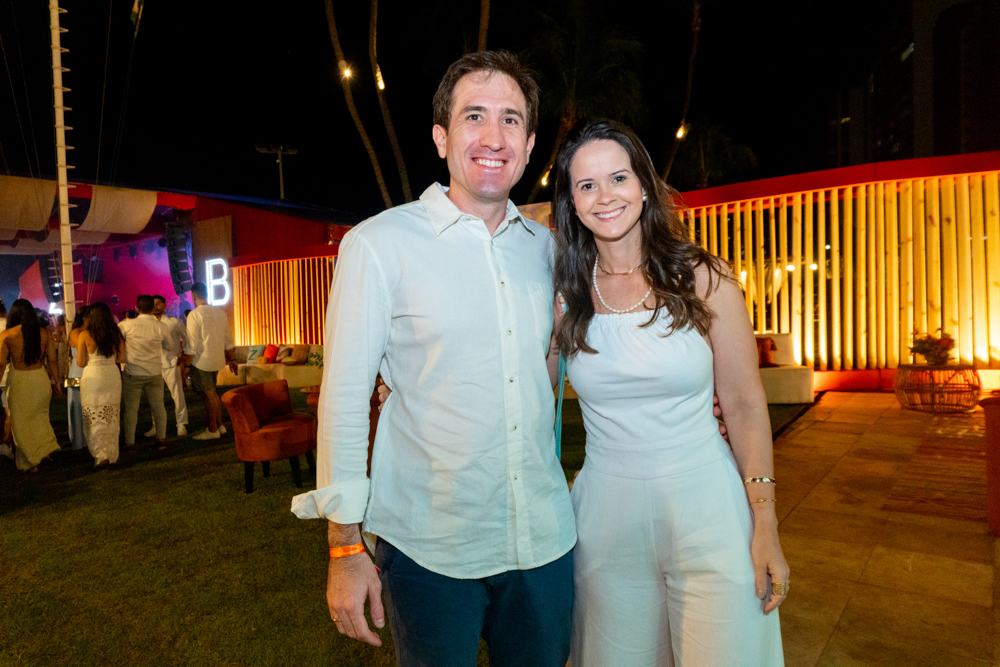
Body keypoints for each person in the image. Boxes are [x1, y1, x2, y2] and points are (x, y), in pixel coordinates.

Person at [291, 51, 576, 667]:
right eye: (475, 116)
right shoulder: (379, 244)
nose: (494, 137)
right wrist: (344, 547)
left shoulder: (547, 251)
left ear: (530, 145)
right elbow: (344, 399)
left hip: (544, 540)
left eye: (510, 119)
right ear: (442, 138)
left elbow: (553, 369)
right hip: (431, 549)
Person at [552, 120, 787, 666]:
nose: (605, 196)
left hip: (708, 508)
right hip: (606, 521)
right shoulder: (565, 296)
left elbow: (745, 404)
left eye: (618, 178)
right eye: (586, 185)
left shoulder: (703, 277)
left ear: (643, 184)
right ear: (572, 203)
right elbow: (527, 395)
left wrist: (766, 523)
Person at [0, 299, 62, 472]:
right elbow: (53, 360)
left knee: (20, 422)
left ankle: (29, 460)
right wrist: (57, 381)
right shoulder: (44, 333)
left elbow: (1, 364)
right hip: (39, 378)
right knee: (40, 419)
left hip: (19, 380)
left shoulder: (7, 335)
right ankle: (40, 452)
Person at [183, 282, 236, 440]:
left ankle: (212, 430)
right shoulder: (220, 312)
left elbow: (191, 344)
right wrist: (232, 358)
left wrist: (186, 365)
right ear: (207, 294)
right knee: (212, 393)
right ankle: (219, 425)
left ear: (193, 296)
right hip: (217, 358)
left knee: (209, 395)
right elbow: (228, 339)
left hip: (201, 361)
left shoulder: (194, 315)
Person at [118, 294, 171, 449]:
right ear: (153, 308)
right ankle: (161, 439)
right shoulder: (161, 326)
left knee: (131, 409)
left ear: (136, 308)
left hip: (133, 372)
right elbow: (170, 346)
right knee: (158, 406)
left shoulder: (125, 326)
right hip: (154, 371)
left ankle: (130, 442)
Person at [77, 302, 126, 467]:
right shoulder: (116, 333)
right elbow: (122, 358)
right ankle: (111, 453)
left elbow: (80, 362)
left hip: (93, 375)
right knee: (111, 414)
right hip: (111, 374)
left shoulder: (85, 335)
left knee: (93, 414)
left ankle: (100, 454)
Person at [145, 294, 188, 437]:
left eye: (158, 304)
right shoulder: (147, 324)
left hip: (171, 363)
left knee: (178, 395)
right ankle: (156, 426)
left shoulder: (174, 322)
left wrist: (183, 355)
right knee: (155, 398)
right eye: (153, 304)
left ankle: (181, 424)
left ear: (164, 305)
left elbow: (186, 339)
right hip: (154, 365)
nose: (155, 307)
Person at [66, 305, 92, 451]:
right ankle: (78, 440)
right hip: (77, 371)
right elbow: (82, 348)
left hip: (89, 370)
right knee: (77, 406)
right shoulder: (76, 332)